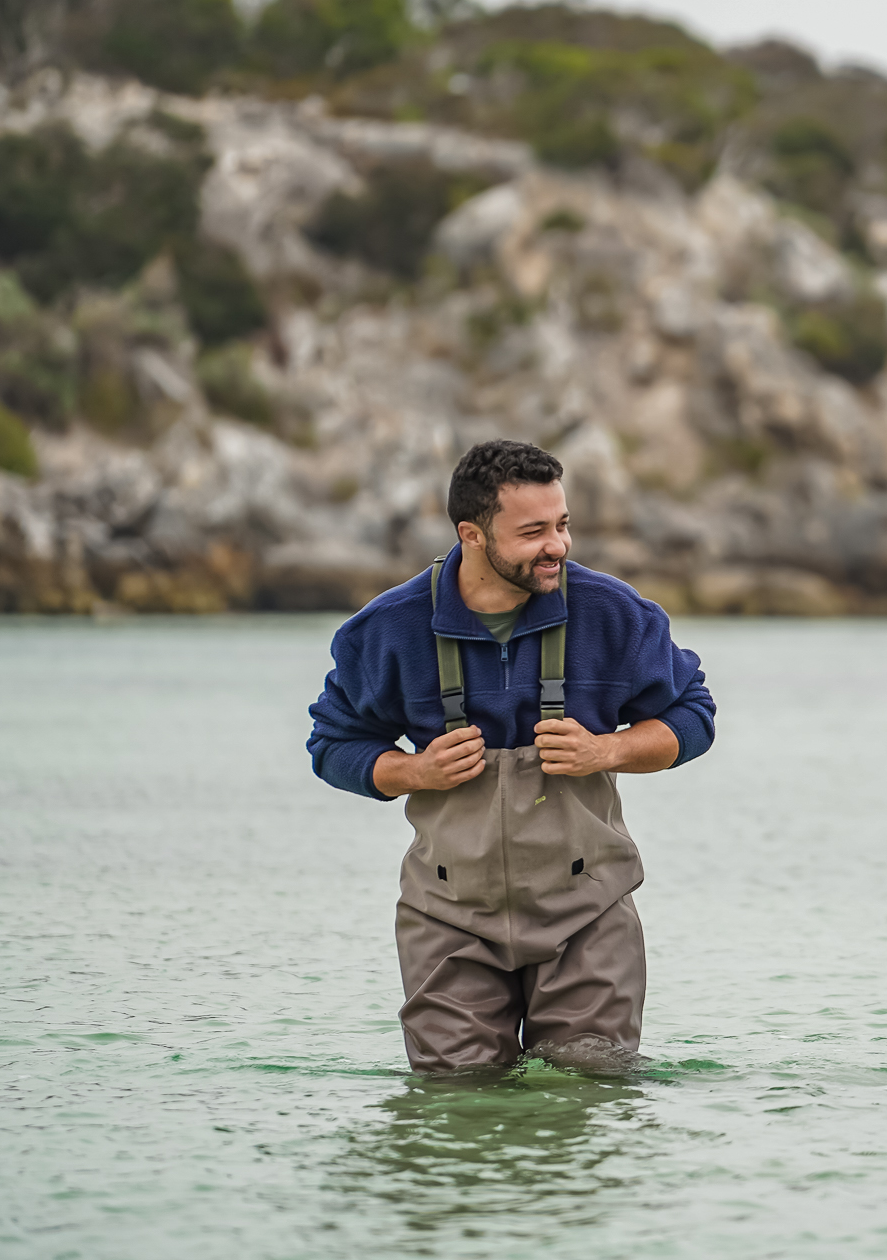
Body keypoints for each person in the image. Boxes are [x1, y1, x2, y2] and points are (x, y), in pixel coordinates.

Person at [306, 439, 716, 1072]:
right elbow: (332, 744)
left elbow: (693, 716)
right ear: (472, 534)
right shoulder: (388, 629)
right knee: (453, 1101)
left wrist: (605, 749)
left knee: (587, 1089)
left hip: (589, 912)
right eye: (533, 532)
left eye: (562, 524)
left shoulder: (615, 614)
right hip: (447, 918)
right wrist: (415, 770)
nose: (557, 545)